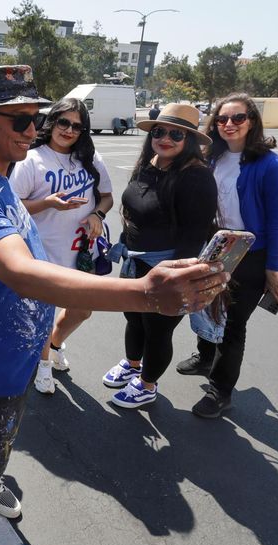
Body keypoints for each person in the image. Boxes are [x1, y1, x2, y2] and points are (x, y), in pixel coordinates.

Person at [0, 66, 228, 545]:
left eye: (35, 119)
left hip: (19, 348)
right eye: (18, 120)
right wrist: (143, 294)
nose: (32, 131)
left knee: (0, 436)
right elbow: (22, 273)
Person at [176, 93, 278, 418]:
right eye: (222, 119)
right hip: (213, 247)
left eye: (238, 118)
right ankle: (205, 356)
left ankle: (220, 390)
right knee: (203, 305)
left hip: (249, 255)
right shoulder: (211, 157)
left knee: (233, 325)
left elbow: (277, 222)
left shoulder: (270, 165)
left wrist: (273, 267)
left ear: (252, 122)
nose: (229, 124)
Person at [102, 103, 218, 409]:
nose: (165, 138)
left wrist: (179, 280)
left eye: (176, 134)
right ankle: (132, 364)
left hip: (168, 266)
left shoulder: (196, 176)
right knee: (134, 318)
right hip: (135, 261)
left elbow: (194, 236)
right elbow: (134, 211)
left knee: (158, 329)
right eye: (159, 131)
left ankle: (147, 385)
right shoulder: (149, 163)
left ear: (189, 140)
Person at [10, 97, 114, 394]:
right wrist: (47, 203)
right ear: (52, 122)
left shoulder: (91, 159)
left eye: (77, 126)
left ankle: (54, 344)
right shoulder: (32, 159)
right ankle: (42, 365)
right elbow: (13, 206)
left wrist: (97, 213)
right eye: (64, 122)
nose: (69, 130)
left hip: (82, 252)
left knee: (82, 310)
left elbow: (107, 196)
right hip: (43, 252)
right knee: (43, 313)